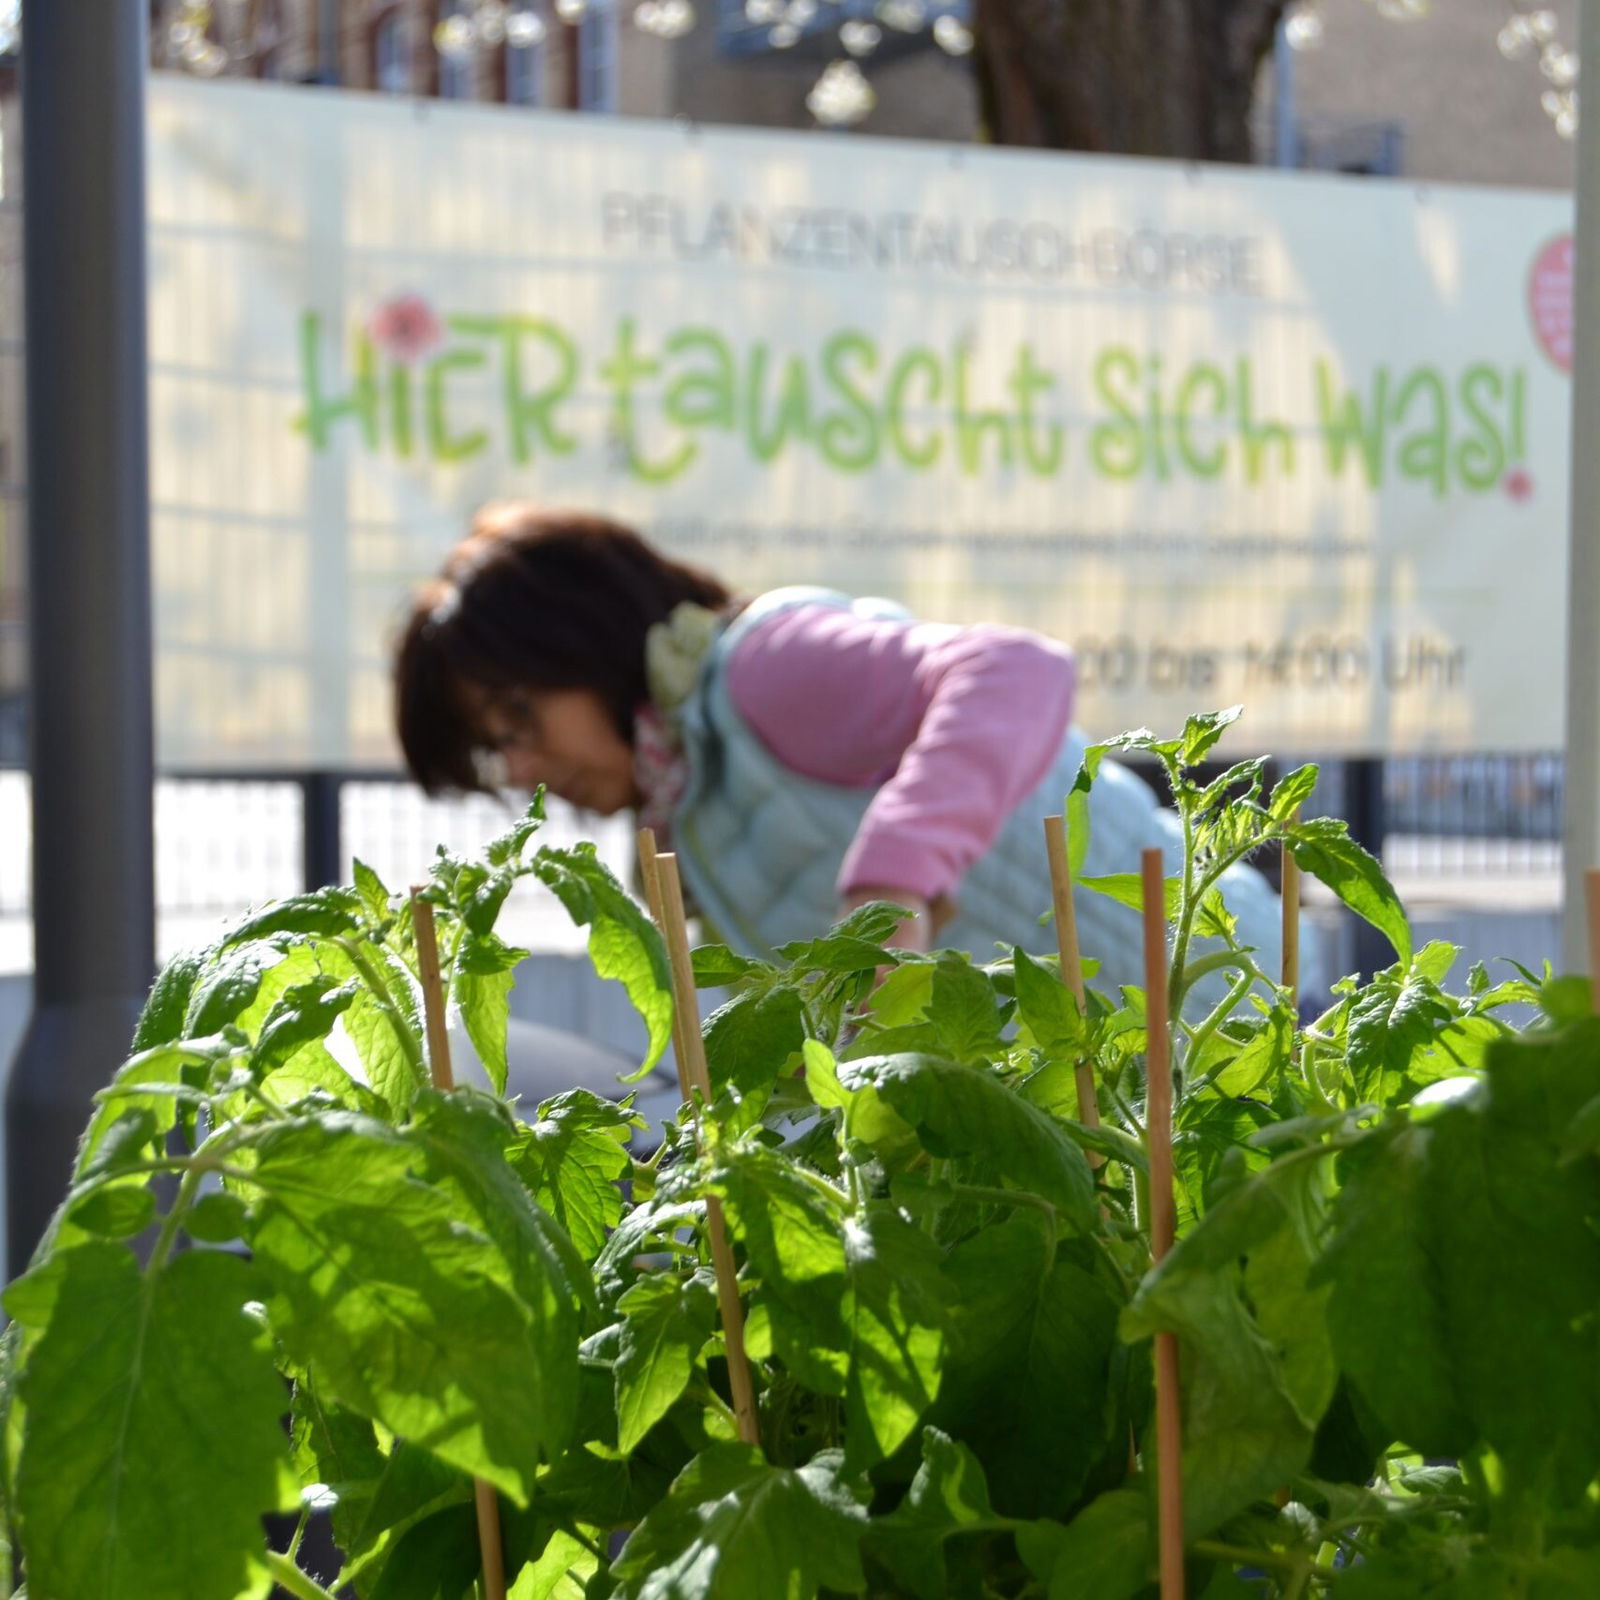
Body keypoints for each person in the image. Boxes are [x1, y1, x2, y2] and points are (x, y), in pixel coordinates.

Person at [395, 502, 1283, 1012]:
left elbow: (1015, 670)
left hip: (1225, 1015)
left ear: (582, 644)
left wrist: (890, 875)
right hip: (1088, 1106)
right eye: (490, 752)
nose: (518, 768)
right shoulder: (683, 825)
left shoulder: (760, 671)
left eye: (517, 717)